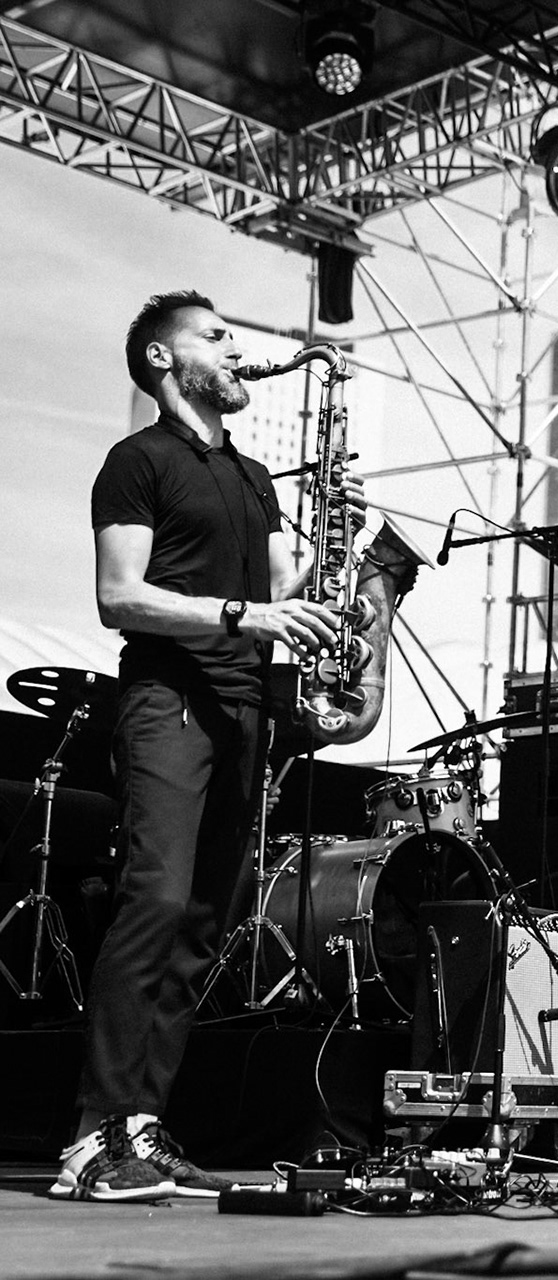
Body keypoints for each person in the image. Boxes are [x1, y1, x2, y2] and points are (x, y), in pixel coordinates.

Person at [58, 291, 354, 1202]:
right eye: (215, 336)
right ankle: (91, 1138)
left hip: (244, 708)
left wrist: (340, 553)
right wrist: (242, 614)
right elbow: (119, 595)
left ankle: (142, 1126)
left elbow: (277, 585)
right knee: (154, 898)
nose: (236, 348)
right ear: (162, 359)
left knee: (203, 922)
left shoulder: (255, 475)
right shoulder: (138, 460)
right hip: (169, 697)